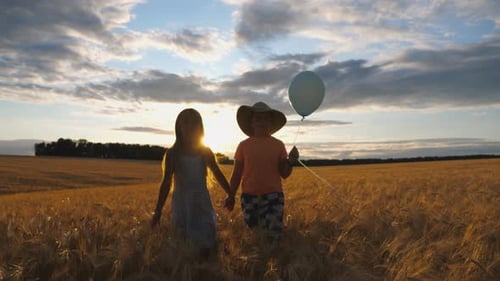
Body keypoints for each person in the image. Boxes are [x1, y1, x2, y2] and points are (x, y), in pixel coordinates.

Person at [151, 108, 234, 255]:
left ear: (200, 127)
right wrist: (158, 211)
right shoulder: (172, 153)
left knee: (206, 241)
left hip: (201, 201)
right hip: (181, 203)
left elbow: (217, 173)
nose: (190, 126)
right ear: (178, 127)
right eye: (186, 122)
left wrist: (230, 193)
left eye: (194, 123)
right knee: (183, 242)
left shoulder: (205, 151)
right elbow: (166, 183)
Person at [227, 101, 299, 240]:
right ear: (251, 122)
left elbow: (284, 173)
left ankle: (274, 258)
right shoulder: (243, 146)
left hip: (274, 197)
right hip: (249, 197)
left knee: (273, 235)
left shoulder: (278, 145)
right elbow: (236, 174)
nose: (262, 121)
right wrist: (231, 195)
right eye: (258, 118)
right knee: (253, 235)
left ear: (271, 123)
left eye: (266, 118)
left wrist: (291, 162)